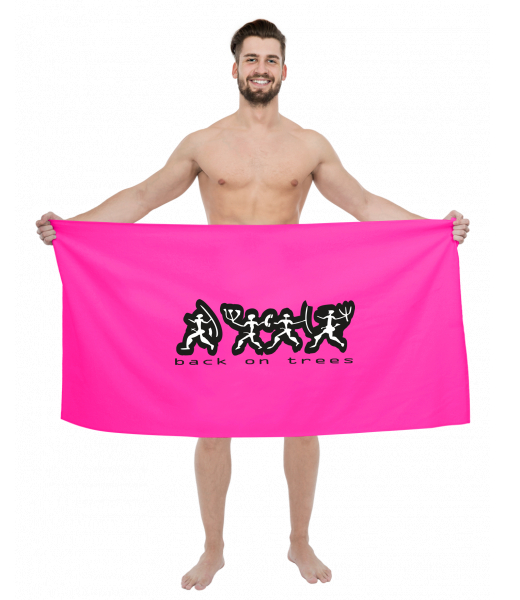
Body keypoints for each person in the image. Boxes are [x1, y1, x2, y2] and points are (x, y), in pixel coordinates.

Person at [35, 19, 471, 591]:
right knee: (212, 426)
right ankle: (213, 548)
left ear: (284, 70)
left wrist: (433, 230)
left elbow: (363, 204)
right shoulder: (203, 143)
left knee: (304, 422)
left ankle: (299, 541)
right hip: (220, 303)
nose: (260, 69)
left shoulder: (309, 145)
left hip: (291, 302)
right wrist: (74, 227)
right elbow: (143, 196)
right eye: (251, 59)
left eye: (270, 60)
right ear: (235, 68)